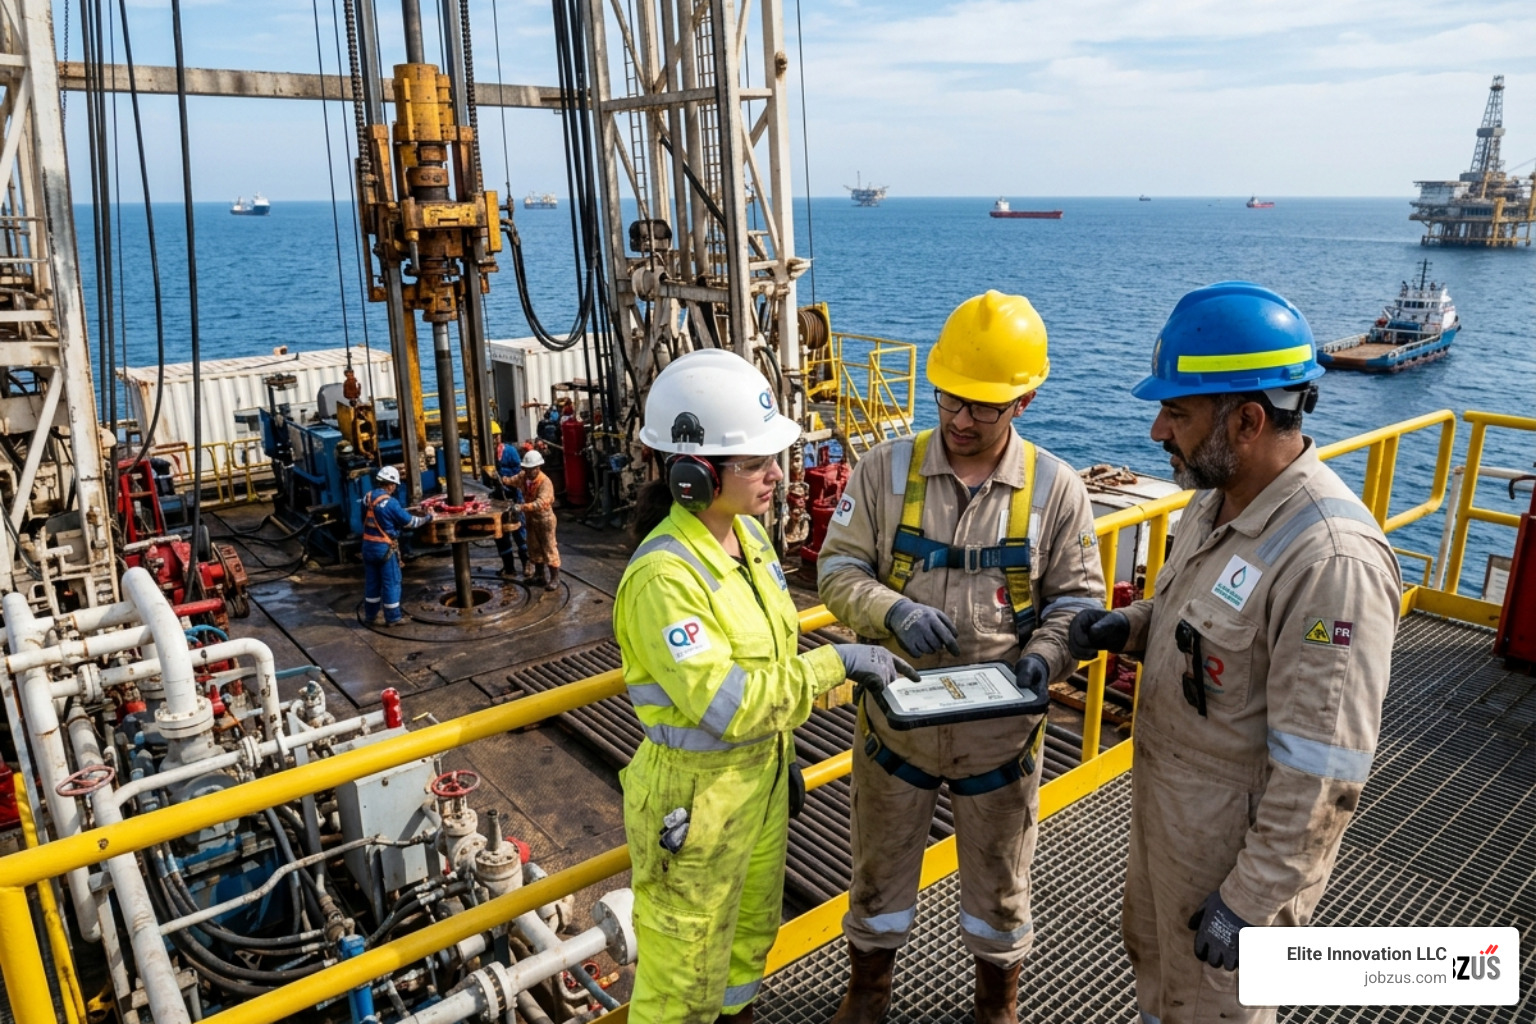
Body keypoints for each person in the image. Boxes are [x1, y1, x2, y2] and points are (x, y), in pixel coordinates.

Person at [1067, 282, 1402, 1024]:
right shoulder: (1213, 501)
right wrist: (1129, 627)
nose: (1159, 431)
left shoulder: (1331, 561)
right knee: (1161, 990)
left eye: (1177, 413)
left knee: (1214, 1010)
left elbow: (1325, 771)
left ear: (1248, 420)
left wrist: (1251, 902)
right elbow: (1201, 615)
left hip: (1233, 861)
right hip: (1172, 822)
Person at [816, 291, 1106, 1024]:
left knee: (1001, 896)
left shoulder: (1057, 489)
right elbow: (836, 571)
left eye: (983, 406)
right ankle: (868, 992)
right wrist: (893, 611)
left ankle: (995, 1005)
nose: (960, 419)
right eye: (950, 398)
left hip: (1001, 747)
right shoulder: (885, 471)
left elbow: (1077, 599)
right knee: (876, 887)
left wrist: (1048, 655)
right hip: (895, 738)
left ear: (1025, 401)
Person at [614, 349, 917, 1024]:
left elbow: (766, 663)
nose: (777, 474)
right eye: (755, 462)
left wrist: (781, 765)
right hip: (695, 805)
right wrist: (842, 664)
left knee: (747, 947)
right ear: (694, 475)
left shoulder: (748, 543)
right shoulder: (665, 578)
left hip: (758, 787)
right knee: (682, 981)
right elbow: (730, 703)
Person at [361, 465, 431, 625]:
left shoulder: (367, 497)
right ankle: (393, 617)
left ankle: (370, 616)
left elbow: (364, 519)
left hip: (368, 547)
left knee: (372, 583)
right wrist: (428, 518)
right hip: (384, 549)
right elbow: (411, 522)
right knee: (391, 582)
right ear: (391, 484)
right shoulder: (391, 503)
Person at [486, 422, 530, 578]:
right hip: (497, 500)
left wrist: (503, 477)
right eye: (490, 437)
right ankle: (509, 567)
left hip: (513, 497)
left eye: (495, 437)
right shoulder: (487, 454)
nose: (493, 440)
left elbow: (520, 474)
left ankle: (527, 564)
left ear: (499, 436)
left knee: (519, 531)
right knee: (501, 534)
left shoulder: (510, 451)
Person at [515, 450, 560, 591]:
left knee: (549, 548)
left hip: (544, 520)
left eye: (531, 469)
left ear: (538, 467)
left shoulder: (545, 482)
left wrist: (522, 507)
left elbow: (541, 503)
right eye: (526, 469)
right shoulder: (524, 477)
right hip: (531, 519)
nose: (528, 472)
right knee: (534, 547)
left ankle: (554, 578)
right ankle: (540, 576)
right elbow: (513, 480)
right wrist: (500, 478)